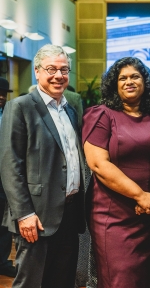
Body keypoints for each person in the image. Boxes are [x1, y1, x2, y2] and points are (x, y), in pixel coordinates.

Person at [0, 44, 87, 288]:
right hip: (36, 215)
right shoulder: (20, 107)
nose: (59, 75)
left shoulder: (70, 110)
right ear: (37, 72)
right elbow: (10, 165)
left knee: (61, 280)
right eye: (51, 69)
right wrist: (24, 214)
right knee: (31, 281)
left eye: (64, 70)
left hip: (69, 212)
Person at [82, 56, 150, 288]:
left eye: (135, 76)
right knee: (120, 279)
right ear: (114, 85)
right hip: (114, 216)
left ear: (145, 82)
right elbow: (98, 164)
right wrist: (140, 196)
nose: (129, 81)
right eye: (123, 78)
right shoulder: (102, 115)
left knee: (147, 279)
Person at [0, 77, 16, 278]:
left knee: (4, 223)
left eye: (4, 94)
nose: (1, 97)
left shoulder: (11, 113)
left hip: (6, 178)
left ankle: (2, 262)